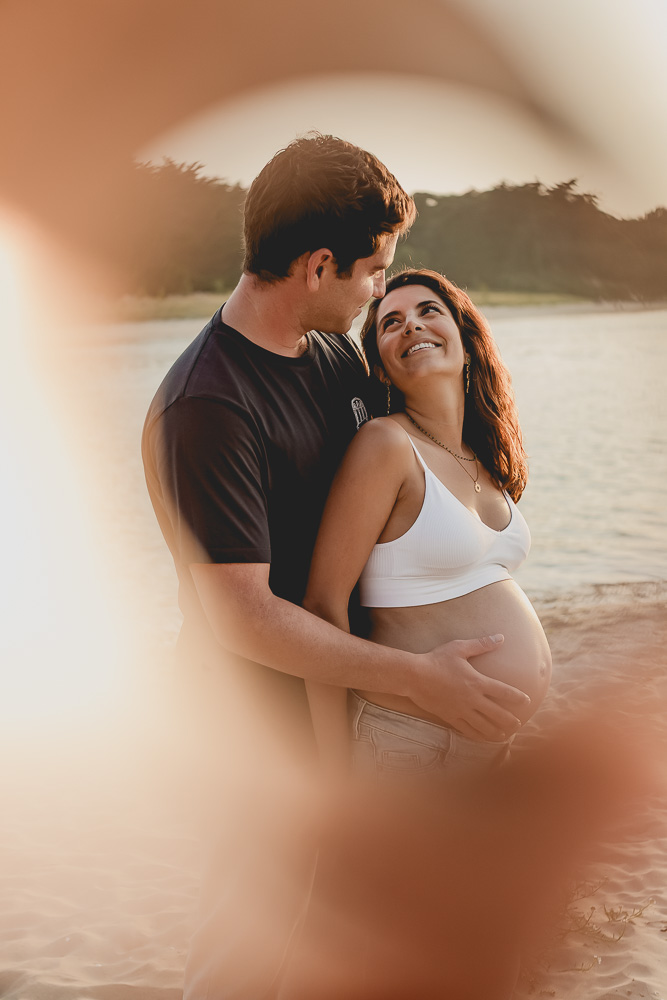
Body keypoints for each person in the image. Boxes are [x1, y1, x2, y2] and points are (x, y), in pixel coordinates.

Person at [141, 138, 531, 999]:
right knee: (256, 953)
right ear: (319, 266)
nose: (378, 293)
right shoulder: (208, 405)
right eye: (372, 275)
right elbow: (241, 615)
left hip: (352, 716)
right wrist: (419, 680)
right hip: (256, 732)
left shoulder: (329, 361)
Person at [304, 268, 552, 780]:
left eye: (428, 311)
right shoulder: (385, 445)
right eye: (391, 323)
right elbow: (322, 605)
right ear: (382, 366)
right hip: (410, 742)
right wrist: (334, 770)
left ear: (466, 339)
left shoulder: (481, 454)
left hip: (484, 744)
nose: (411, 326)